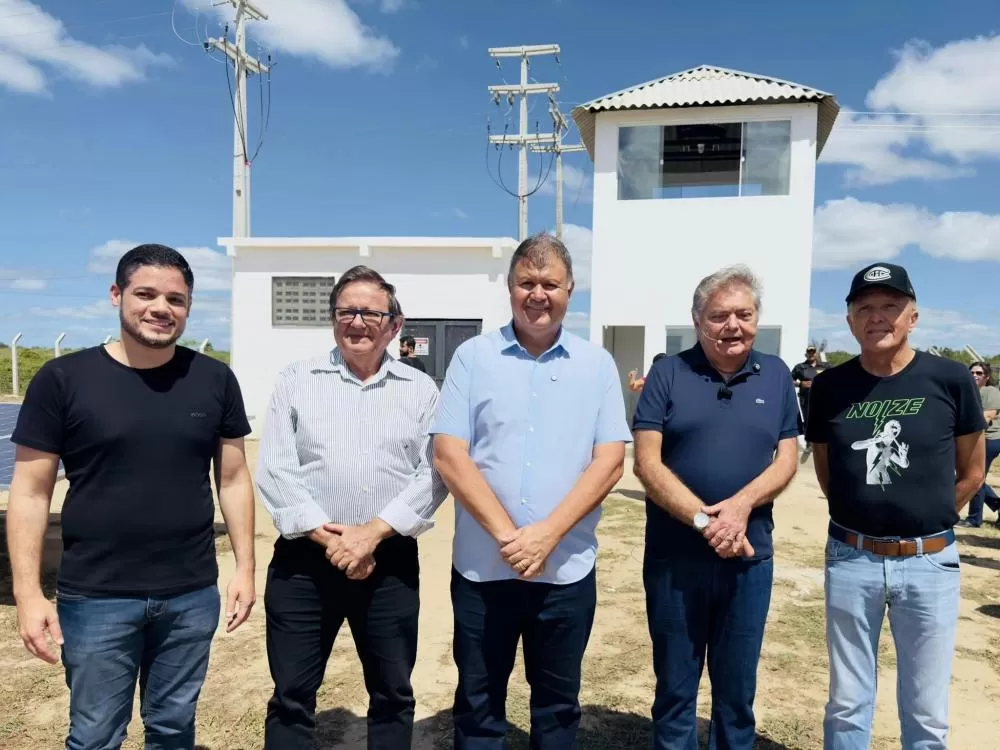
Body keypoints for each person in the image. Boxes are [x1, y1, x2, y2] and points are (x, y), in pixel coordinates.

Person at [7, 243, 257, 748]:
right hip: (96, 595)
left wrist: (246, 568)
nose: (161, 308)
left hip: (189, 593)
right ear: (117, 294)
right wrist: (28, 593)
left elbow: (232, 478)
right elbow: (30, 493)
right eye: (145, 294)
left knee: (172, 728)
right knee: (96, 734)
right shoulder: (62, 380)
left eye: (176, 299)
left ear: (188, 307)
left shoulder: (213, 380)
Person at [431, 232, 631, 749]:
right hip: (483, 568)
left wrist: (545, 535)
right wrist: (509, 536)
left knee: (558, 708)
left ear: (570, 290)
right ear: (509, 287)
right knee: (477, 705)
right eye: (526, 282)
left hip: (565, 570)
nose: (537, 294)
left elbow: (609, 461)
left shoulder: (596, 365)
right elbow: (450, 454)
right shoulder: (472, 359)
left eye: (550, 283)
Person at [255, 264, 447, 749]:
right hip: (303, 563)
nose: (357, 322)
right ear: (333, 318)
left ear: (394, 325)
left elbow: (435, 473)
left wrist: (373, 534)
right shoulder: (298, 380)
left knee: (392, 694)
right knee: (292, 695)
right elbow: (276, 470)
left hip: (389, 562)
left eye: (370, 312)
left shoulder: (420, 390)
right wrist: (334, 539)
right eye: (346, 311)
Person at [805, 261, 985, 750]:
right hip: (850, 559)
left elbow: (973, 471)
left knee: (927, 711)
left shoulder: (949, 379)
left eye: (890, 306)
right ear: (849, 321)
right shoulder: (829, 388)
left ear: (913, 316)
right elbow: (827, 472)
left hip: (930, 563)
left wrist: (928, 516)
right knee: (846, 702)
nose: (877, 317)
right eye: (865, 308)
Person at [632, 264, 800, 750]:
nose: (733, 326)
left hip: (748, 559)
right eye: (719, 315)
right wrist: (707, 522)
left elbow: (787, 459)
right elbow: (646, 462)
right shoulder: (668, 373)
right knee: (675, 690)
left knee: (736, 693)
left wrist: (741, 507)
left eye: (744, 314)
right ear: (697, 320)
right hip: (675, 559)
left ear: (757, 318)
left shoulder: (777, 376)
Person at [959, 361, 1000, 528]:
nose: (974, 375)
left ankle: (974, 519)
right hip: (973, 439)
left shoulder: (991, 392)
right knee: (974, 476)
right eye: (972, 373)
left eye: (979, 373)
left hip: (990, 439)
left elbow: (988, 415)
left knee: (975, 476)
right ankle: (997, 504)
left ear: (987, 377)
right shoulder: (968, 392)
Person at [791, 344, 827, 454]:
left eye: (813, 352)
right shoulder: (800, 367)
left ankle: (826, 443)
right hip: (806, 399)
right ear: (806, 354)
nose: (811, 354)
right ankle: (809, 444)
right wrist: (800, 383)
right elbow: (788, 380)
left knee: (824, 419)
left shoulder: (825, 366)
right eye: (809, 352)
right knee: (808, 420)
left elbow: (835, 378)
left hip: (823, 398)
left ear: (816, 354)